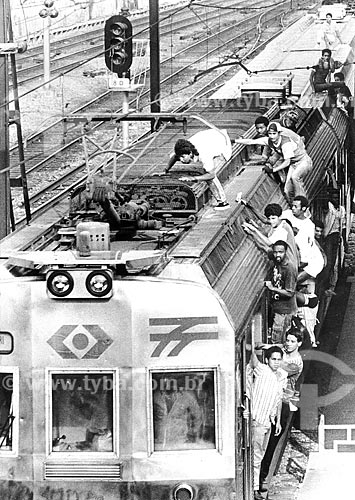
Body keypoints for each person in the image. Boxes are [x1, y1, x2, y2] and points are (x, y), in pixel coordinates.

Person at [258, 328, 304, 493]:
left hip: (283, 403)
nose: (288, 343)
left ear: (299, 343)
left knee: (272, 442)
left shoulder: (295, 363)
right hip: (272, 398)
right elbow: (279, 348)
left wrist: (268, 350)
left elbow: (279, 365)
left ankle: (263, 477)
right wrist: (268, 345)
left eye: (292, 341)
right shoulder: (284, 351)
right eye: (288, 340)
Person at [247, 345, 287, 500]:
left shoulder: (281, 376)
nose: (276, 362)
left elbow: (278, 400)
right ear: (267, 359)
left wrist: (277, 421)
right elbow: (251, 354)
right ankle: (254, 490)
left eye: (279, 359)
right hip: (257, 420)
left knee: (261, 455)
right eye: (273, 359)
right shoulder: (262, 370)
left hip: (268, 422)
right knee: (256, 457)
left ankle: (256, 486)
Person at [165, 128, 232, 210]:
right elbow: (174, 157)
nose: (181, 160)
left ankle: (223, 202)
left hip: (223, 146)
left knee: (208, 175)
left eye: (183, 157)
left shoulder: (204, 155)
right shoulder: (184, 149)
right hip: (213, 135)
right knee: (206, 170)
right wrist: (166, 170)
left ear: (190, 153)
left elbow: (211, 175)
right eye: (180, 157)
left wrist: (193, 178)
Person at [262, 123, 313, 203]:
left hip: (303, 161)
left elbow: (284, 159)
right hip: (294, 164)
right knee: (287, 191)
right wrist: (269, 162)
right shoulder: (275, 142)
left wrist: (273, 169)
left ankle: (302, 207)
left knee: (295, 177)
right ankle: (294, 206)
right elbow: (276, 154)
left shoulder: (285, 141)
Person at [265, 240, 298, 344]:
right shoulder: (277, 261)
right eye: (275, 252)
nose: (277, 255)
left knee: (277, 341)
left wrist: (272, 288)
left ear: (286, 252)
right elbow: (264, 246)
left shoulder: (289, 268)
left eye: (280, 252)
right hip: (278, 308)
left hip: (284, 311)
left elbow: (290, 293)